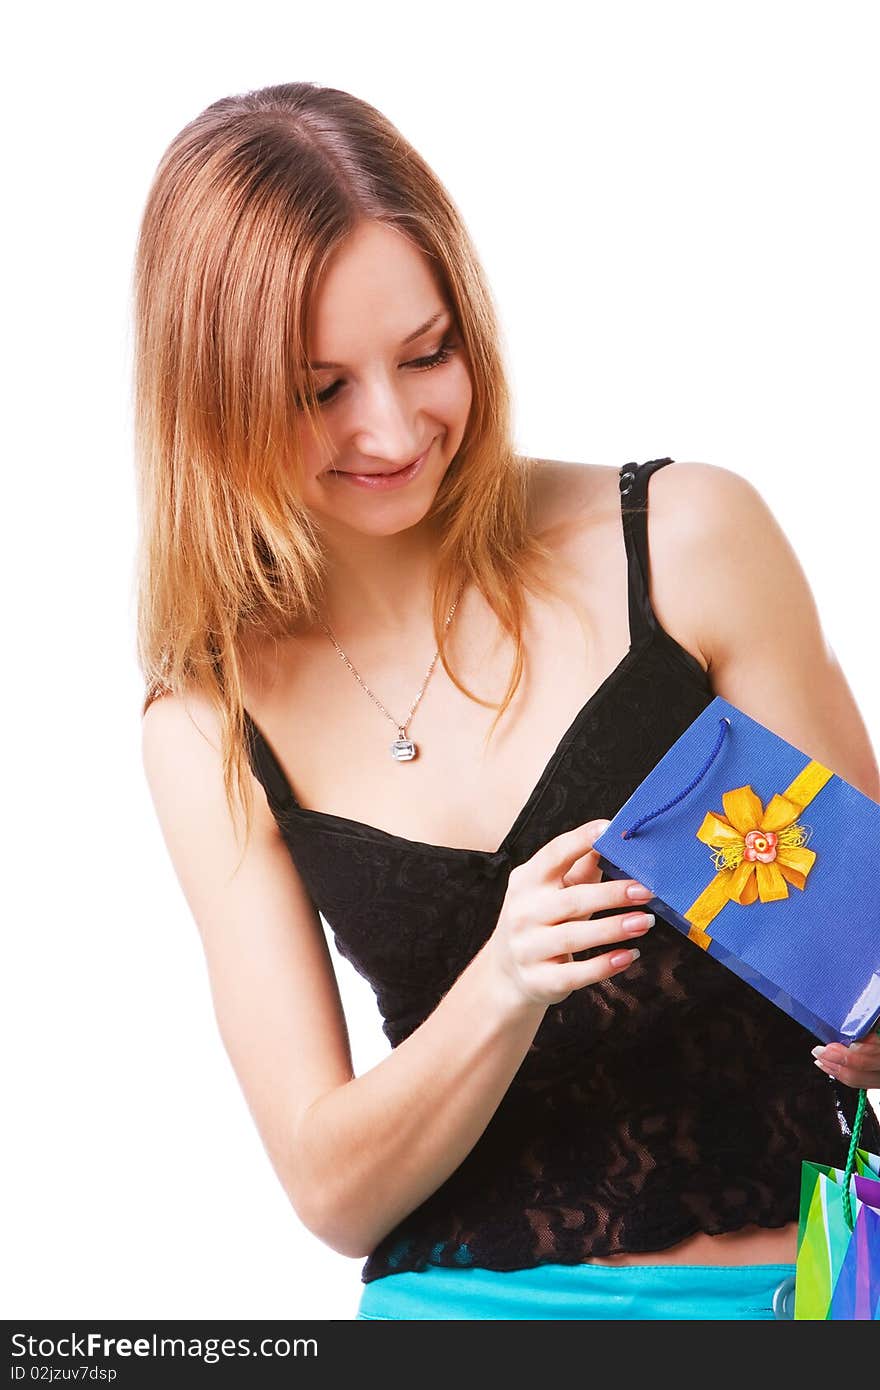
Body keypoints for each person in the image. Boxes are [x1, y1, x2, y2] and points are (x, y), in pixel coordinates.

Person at [136, 81, 880, 1321]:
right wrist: (501, 982)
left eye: (427, 354)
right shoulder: (208, 724)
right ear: (210, 400)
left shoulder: (686, 536)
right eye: (320, 389)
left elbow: (866, 943)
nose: (392, 426)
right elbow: (331, 1187)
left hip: (798, 1291)